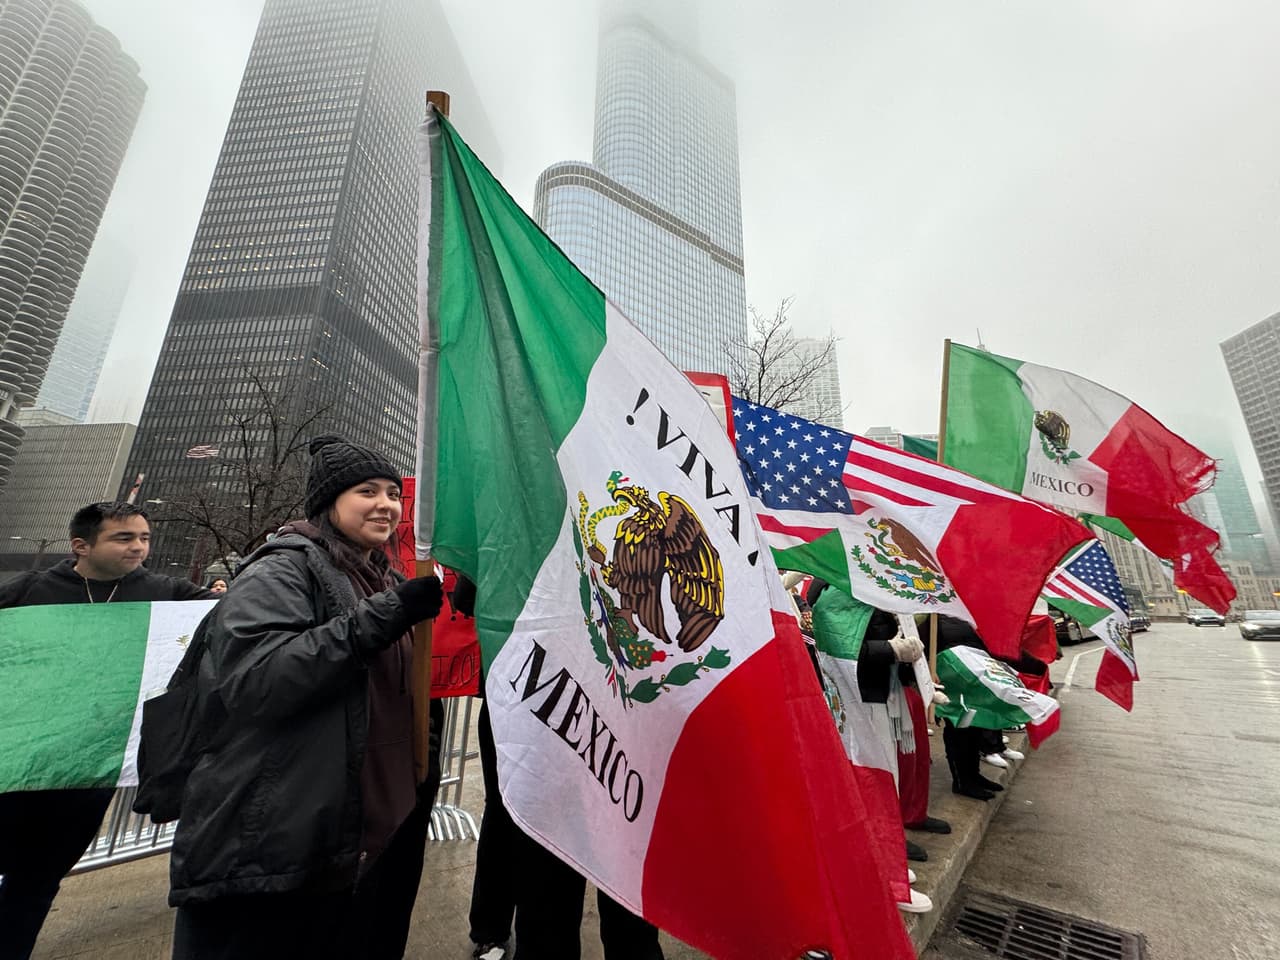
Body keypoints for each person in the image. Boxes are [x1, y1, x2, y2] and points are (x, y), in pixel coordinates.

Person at [167, 436, 444, 960]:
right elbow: (258, 678)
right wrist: (386, 615)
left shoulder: (380, 574)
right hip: (284, 839)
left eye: (392, 492)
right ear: (328, 501)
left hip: (364, 832)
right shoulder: (284, 567)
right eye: (367, 491)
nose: (386, 504)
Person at [0, 502, 213, 960]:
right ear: (81, 545)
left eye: (144, 538)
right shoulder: (28, 592)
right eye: (124, 538)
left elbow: (227, 616)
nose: (139, 547)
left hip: (88, 772)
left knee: (35, 884)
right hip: (15, 766)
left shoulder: (166, 592)